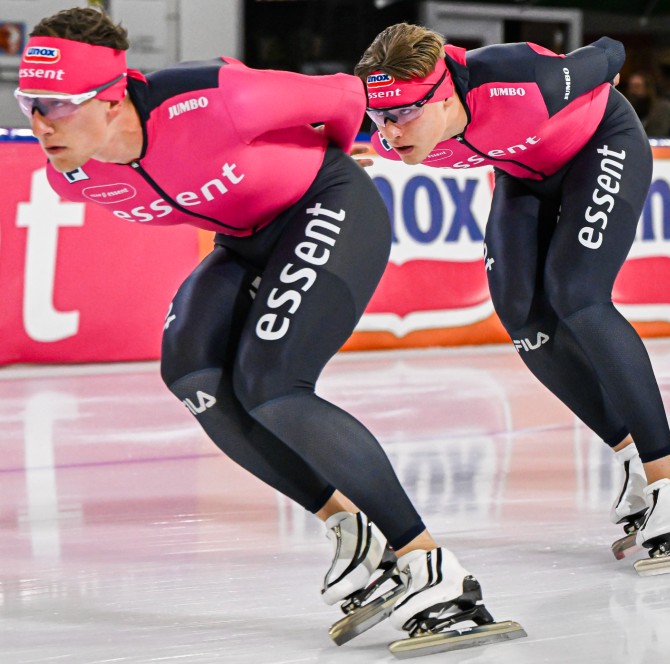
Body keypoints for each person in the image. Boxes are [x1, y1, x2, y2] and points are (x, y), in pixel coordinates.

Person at [16, 7, 525, 657]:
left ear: (114, 98)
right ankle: (351, 532)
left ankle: (432, 569)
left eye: (57, 104)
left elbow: (346, 97)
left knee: (272, 384)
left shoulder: (215, 98)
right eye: (31, 102)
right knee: (193, 374)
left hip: (328, 205)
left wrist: (323, 171)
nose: (38, 123)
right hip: (247, 239)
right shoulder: (76, 173)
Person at [355, 23, 670, 574]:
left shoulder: (518, 82)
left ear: (443, 96)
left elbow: (610, 53)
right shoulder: (387, 123)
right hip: (524, 172)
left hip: (601, 143)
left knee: (576, 293)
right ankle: (630, 456)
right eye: (380, 118)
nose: (390, 133)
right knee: (521, 316)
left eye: (404, 115)